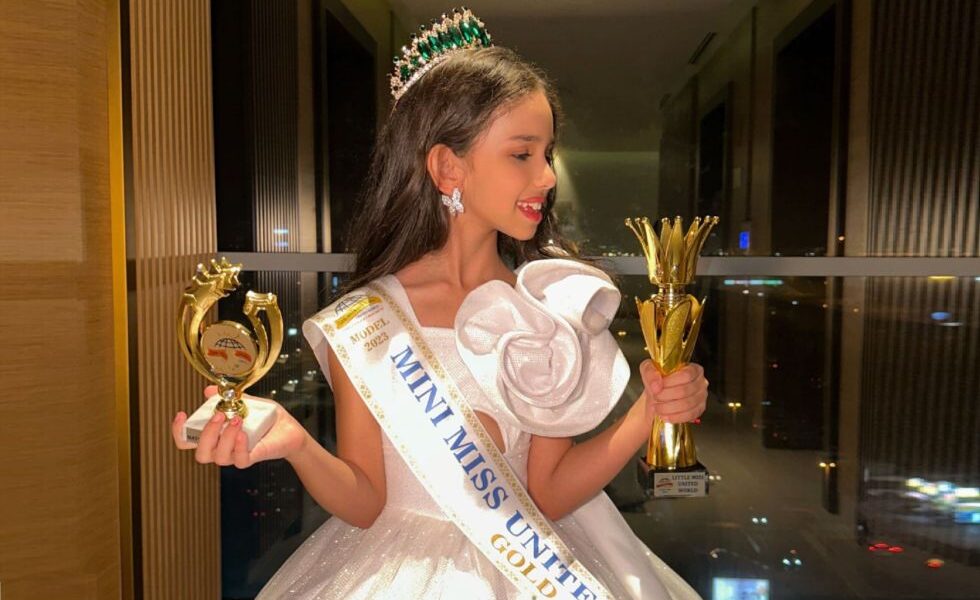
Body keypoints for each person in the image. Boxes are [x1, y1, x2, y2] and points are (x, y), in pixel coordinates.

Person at [173, 8, 708, 599]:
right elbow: (366, 501)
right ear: (448, 166)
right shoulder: (367, 320)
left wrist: (648, 409)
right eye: (522, 154)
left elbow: (549, 493)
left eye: (547, 154)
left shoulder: (547, 308)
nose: (547, 177)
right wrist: (295, 441)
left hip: (534, 568)